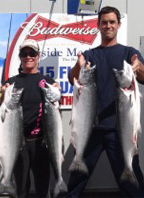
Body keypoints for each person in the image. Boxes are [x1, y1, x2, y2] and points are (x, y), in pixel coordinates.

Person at [67, 6, 144, 197]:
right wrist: (78, 66)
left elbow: (143, 76)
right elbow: (72, 79)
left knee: (132, 183)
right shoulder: (90, 55)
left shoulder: (129, 53)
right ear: (98, 26)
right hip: (90, 130)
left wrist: (138, 67)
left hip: (121, 131)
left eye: (112, 22)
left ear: (119, 24)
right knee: (76, 181)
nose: (108, 26)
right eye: (104, 22)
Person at [1, 39, 60, 198]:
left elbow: (55, 109)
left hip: (41, 143)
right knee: (21, 189)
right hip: (18, 144)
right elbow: (3, 111)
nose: (28, 57)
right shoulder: (11, 82)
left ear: (38, 56)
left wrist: (56, 92)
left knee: (42, 188)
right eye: (24, 53)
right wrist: (3, 94)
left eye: (32, 53)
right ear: (20, 57)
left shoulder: (47, 82)